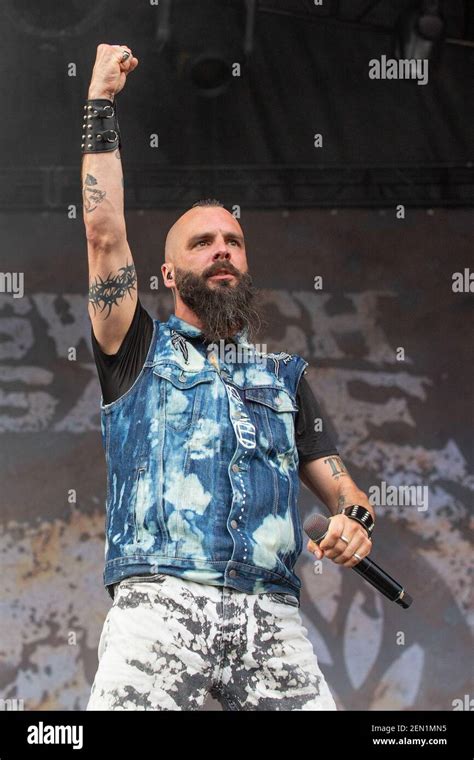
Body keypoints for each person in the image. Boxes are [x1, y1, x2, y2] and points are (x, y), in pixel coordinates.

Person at [81, 44, 375, 711]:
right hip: (159, 601)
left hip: (270, 613)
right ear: (167, 273)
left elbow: (343, 490)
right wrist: (99, 105)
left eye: (234, 242)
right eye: (203, 242)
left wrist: (354, 521)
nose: (222, 249)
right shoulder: (135, 345)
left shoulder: (284, 377)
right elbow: (103, 233)